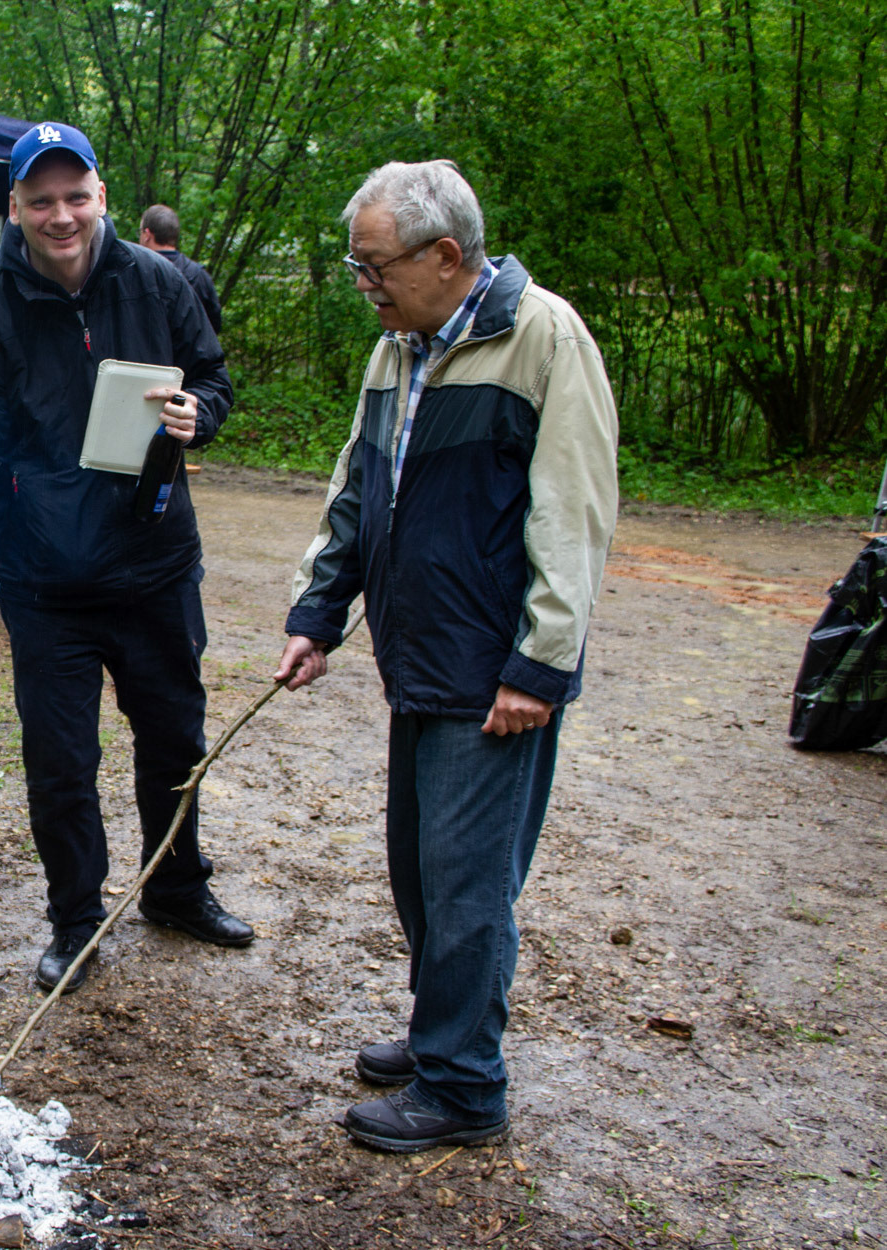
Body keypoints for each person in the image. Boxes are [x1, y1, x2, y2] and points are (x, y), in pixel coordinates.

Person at [274, 160, 618, 1153]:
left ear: (446, 255)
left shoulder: (543, 337)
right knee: (420, 871)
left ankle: (464, 1084)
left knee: (468, 885)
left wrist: (539, 665)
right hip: (419, 651)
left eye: (374, 265)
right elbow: (356, 491)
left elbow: (575, 513)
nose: (363, 283)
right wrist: (319, 607)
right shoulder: (399, 348)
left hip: (492, 669)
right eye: (356, 266)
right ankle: (442, 1033)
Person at [0, 122, 249, 995]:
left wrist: (198, 414)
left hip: (153, 569)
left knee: (173, 741)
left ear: (101, 195)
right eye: (41, 201)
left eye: (75, 197)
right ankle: (75, 921)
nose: (60, 216)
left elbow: (214, 378)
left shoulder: (159, 283)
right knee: (62, 763)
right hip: (48, 587)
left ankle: (175, 889)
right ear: (16, 209)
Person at [138, 204, 222, 335]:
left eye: (141, 231)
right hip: (190, 353)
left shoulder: (136, 274)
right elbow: (214, 325)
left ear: (147, 234)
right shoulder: (199, 276)